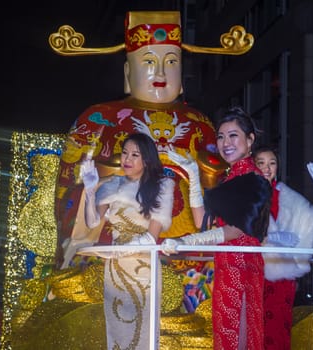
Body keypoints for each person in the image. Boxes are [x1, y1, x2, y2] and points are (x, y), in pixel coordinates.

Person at [54, 11, 227, 269]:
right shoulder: (98, 118)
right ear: (127, 72)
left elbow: (221, 190)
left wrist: (202, 171)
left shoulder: (199, 122)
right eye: (148, 62)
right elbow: (68, 189)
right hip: (113, 243)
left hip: (183, 245)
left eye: (170, 62)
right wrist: (101, 179)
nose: (160, 72)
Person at [163, 106, 272, 350]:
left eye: (233, 135)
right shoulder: (231, 178)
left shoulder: (253, 179)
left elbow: (236, 230)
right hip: (226, 266)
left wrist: (186, 243)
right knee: (226, 336)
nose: (225, 142)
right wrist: (192, 175)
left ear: (250, 139)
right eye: (221, 137)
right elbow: (204, 221)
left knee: (238, 337)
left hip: (243, 268)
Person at [80, 133, 174, 349]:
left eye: (134, 155)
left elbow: (152, 237)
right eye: (124, 153)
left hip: (144, 269)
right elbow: (92, 222)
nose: (127, 159)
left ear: (147, 160)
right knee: (117, 328)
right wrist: (90, 191)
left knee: (144, 330)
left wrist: (119, 251)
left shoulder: (162, 187)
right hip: (115, 269)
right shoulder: (112, 184)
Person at [252, 146, 313, 350]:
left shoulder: (287, 196)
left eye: (272, 163)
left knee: (277, 332)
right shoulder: (246, 195)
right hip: (250, 272)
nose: (267, 168)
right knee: (251, 331)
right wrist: (271, 238)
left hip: (281, 277)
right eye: (261, 163)